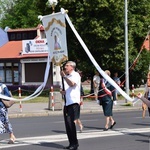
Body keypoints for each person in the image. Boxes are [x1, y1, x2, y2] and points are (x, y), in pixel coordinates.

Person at [60, 61, 80, 150]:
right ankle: (71, 143)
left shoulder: (75, 75)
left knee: (71, 123)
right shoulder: (66, 77)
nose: (65, 67)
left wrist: (64, 76)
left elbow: (72, 84)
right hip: (67, 103)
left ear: (72, 67)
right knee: (67, 124)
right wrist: (62, 91)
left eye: (67, 66)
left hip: (73, 102)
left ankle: (75, 144)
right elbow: (63, 89)